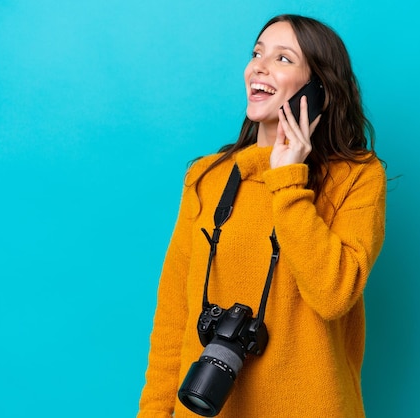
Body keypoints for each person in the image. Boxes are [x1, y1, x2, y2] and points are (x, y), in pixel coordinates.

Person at [137, 14, 386, 418]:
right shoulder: (207, 177)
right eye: (257, 53)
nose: (259, 66)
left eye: (283, 58)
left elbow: (334, 293)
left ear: (316, 90)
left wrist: (288, 178)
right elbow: (173, 316)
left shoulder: (357, 178)